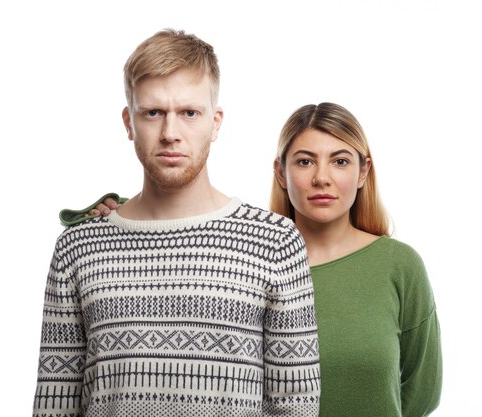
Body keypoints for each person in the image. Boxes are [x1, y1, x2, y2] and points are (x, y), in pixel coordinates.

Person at [79, 102, 443, 416]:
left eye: (340, 161)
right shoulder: (247, 259)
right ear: (280, 173)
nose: (321, 178)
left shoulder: (399, 267)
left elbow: (421, 392)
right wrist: (118, 220)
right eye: (304, 161)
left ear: (363, 172)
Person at [33, 29, 321, 417]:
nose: (170, 133)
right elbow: (54, 403)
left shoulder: (275, 241)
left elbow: (297, 405)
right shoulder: (77, 248)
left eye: (189, 113)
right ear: (128, 122)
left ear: (215, 122)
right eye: (153, 112)